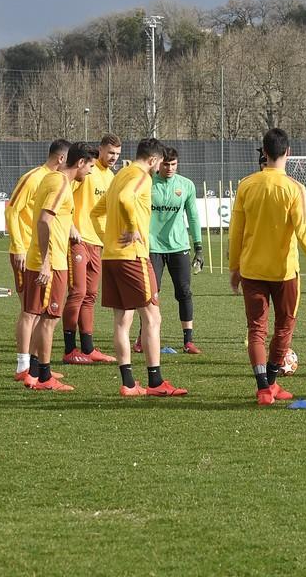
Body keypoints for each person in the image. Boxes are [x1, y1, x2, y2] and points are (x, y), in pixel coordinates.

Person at [229, 128, 306, 406]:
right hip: (284, 272)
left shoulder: (246, 185)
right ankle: (273, 381)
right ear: (288, 152)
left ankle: (264, 388)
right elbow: (303, 233)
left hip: (252, 270)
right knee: (284, 327)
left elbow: (236, 232)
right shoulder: (294, 188)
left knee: (256, 329)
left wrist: (234, 268)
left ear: (263, 152)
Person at [93, 137, 187, 397]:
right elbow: (125, 199)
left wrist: (109, 238)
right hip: (133, 257)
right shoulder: (142, 176)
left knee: (123, 320)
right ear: (154, 159)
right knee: (152, 317)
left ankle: (128, 383)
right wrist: (133, 228)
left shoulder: (119, 176)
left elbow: (95, 213)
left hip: (111, 257)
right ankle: (155, 382)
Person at [23, 143, 98, 391]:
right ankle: (44, 377)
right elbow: (45, 219)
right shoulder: (61, 184)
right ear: (80, 163)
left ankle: (33, 373)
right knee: (48, 319)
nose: (90, 172)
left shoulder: (50, 178)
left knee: (43, 318)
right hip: (51, 262)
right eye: (90, 166)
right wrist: (46, 261)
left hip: (49, 259)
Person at [5, 139, 68, 381]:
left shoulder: (55, 181)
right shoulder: (34, 177)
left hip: (39, 251)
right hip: (27, 252)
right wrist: (18, 246)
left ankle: (33, 366)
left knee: (39, 311)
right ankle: (23, 365)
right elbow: (11, 210)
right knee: (29, 310)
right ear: (61, 159)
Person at [63, 134, 121, 365]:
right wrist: (70, 224)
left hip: (97, 243)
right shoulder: (86, 170)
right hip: (78, 240)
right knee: (77, 293)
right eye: (110, 153)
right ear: (101, 150)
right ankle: (69, 350)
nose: (114, 158)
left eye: (117, 154)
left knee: (90, 296)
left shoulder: (112, 177)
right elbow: (64, 193)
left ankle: (88, 348)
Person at [150, 147, 204, 353]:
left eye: (173, 164)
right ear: (158, 163)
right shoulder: (148, 183)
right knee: (150, 294)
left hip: (179, 246)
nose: (170, 168)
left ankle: (188, 341)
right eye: (166, 164)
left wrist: (198, 246)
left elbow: (193, 217)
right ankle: (142, 337)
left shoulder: (186, 185)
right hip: (152, 246)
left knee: (184, 292)